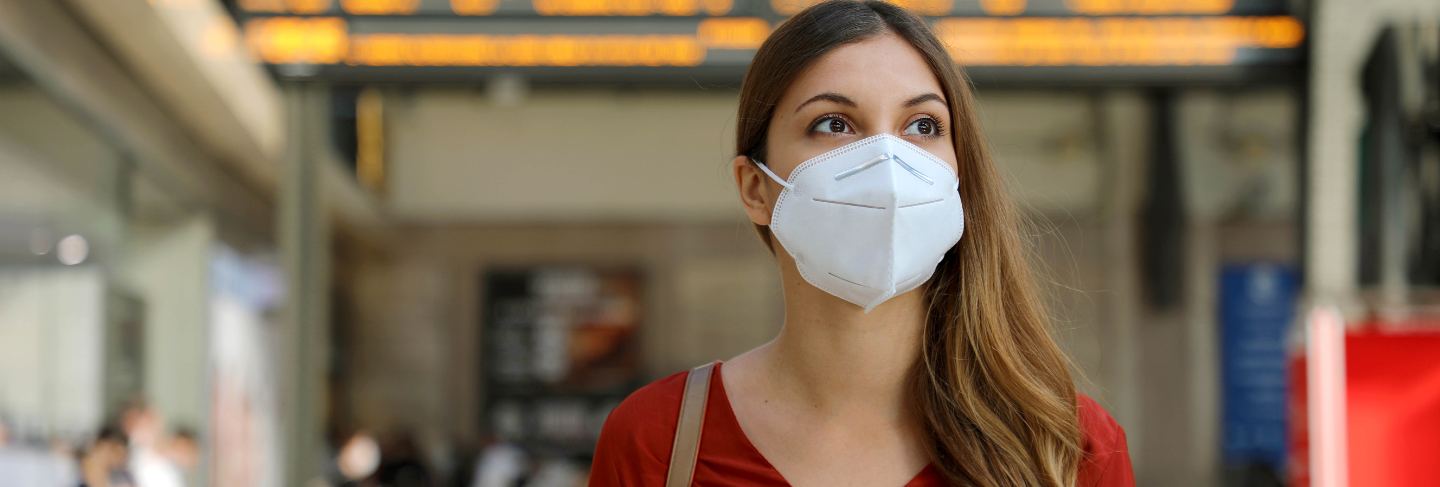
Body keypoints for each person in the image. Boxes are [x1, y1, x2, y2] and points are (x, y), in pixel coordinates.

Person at [589, 2, 1134, 486]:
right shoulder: (658, 441)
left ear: (959, 179)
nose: (887, 166)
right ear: (756, 188)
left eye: (922, 126)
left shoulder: (1066, 449)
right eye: (834, 123)